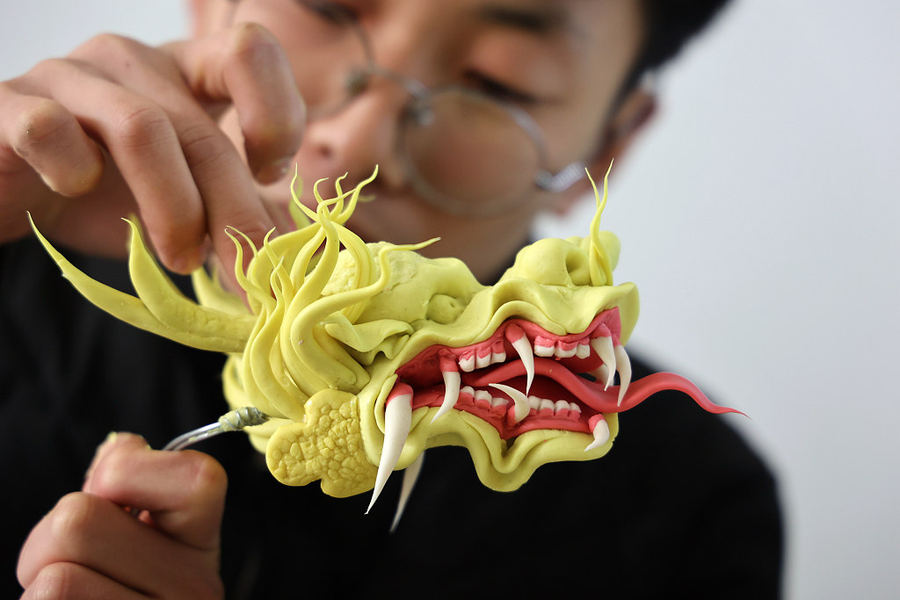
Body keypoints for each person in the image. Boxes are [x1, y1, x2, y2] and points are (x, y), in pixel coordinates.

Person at [1, 0, 783, 597]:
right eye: (327, 7)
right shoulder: (13, 246)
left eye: (499, 81)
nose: (360, 141)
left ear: (605, 148)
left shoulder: (689, 511)